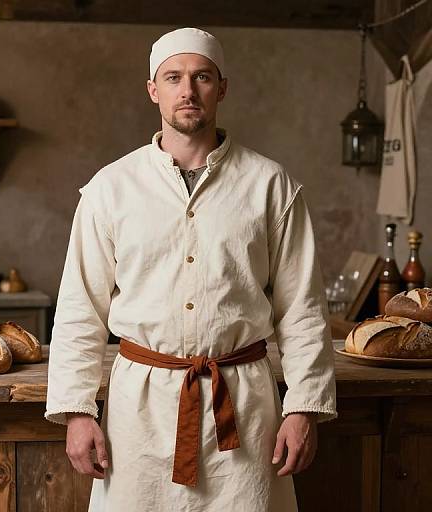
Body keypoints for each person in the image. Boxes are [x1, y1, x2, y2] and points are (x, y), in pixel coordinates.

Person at [45, 27, 337, 511]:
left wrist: (303, 406)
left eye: (202, 76)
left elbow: (302, 308)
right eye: (173, 77)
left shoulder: (270, 185)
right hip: (139, 414)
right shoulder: (111, 189)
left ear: (221, 88)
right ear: (152, 90)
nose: (188, 89)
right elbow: (81, 309)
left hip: (245, 408)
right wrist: (77, 412)